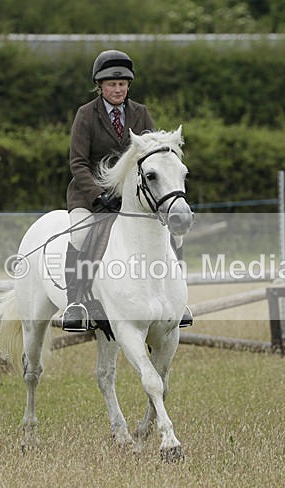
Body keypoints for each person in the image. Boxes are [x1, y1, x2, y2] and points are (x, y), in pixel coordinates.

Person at [62, 49, 192, 331]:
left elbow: (154, 155)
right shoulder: (86, 115)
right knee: (80, 234)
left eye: (122, 84)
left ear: (128, 85)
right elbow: (78, 163)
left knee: (172, 234)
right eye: (111, 84)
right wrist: (97, 194)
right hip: (91, 195)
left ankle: (175, 299)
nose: (118, 89)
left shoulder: (140, 113)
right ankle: (77, 301)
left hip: (135, 197)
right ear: (100, 86)